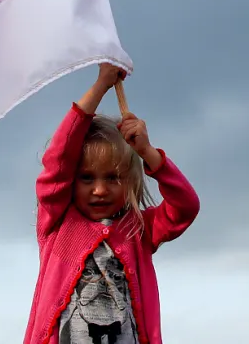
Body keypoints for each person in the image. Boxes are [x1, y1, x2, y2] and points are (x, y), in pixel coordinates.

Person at [23, 63, 200, 344]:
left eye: (113, 178)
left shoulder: (138, 230)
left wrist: (147, 152)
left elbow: (185, 207)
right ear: (70, 180)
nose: (100, 190)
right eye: (86, 177)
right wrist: (100, 86)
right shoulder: (57, 223)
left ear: (130, 181)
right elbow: (58, 161)